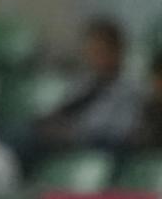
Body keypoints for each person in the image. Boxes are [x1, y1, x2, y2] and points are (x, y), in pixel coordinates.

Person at [34, 18, 144, 154]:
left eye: (100, 51)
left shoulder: (131, 89)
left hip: (98, 148)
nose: (94, 57)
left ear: (117, 51)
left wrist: (75, 133)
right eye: (91, 51)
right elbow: (64, 108)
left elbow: (119, 132)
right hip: (66, 142)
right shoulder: (85, 82)